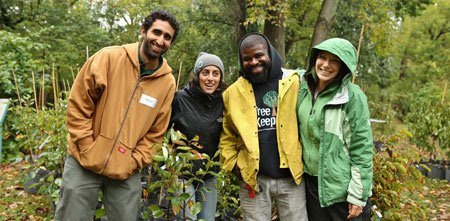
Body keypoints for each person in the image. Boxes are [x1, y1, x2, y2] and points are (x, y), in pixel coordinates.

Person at [54, 9, 179, 220]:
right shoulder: (109, 58)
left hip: (125, 168)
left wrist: (134, 161)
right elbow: (78, 105)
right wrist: (86, 146)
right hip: (83, 159)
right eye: (156, 32)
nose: (160, 40)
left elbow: (156, 132)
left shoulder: (167, 83)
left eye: (167, 37)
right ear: (143, 31)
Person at [220, 33, 307, 221]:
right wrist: (235, 165)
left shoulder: (293, 82)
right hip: (254, 180)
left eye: (259, 55)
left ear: (270, 53)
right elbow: (227, 136)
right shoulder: (233, 93)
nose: (253, 62)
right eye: (247, 59)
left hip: (291, 178)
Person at [296, 38, 373, 221]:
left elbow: (362, 149)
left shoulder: (352, 97)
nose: (326, 65)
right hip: (312, 186)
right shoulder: (303, 88)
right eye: (322, 57)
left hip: (341, 189)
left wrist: (357, 195)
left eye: (335, 61)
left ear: (344, 67)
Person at [169, 52, 227, 220]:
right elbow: (162, 131)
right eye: (205, 72)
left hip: (209, 175)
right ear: (197, 75)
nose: (210, 78)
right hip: (182, 175)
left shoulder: (223, 101)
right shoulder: (180, 98)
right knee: (188, 218)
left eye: (215, 74)